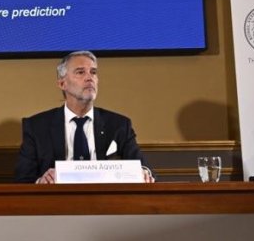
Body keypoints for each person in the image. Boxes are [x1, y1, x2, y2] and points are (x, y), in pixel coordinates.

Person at [14, 50, 155, 184]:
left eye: (93, 72)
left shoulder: (119, 124)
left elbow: (144, 168)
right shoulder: (37, 126)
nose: (89, 78)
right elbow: (23, 179)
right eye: (80, 72)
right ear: (62, 83)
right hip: (57, 203)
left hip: (106, 203)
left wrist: (143, 173)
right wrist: (41, 181)